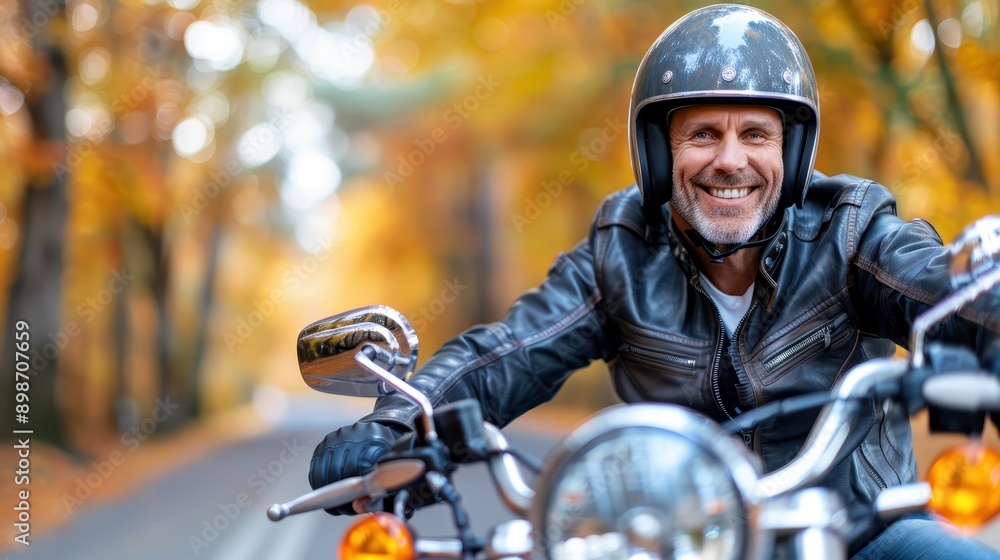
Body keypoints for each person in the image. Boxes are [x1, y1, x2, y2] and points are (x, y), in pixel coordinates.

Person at [309, 4, 1000, 558]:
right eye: (702, 134)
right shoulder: (621, 251)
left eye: (755, 135)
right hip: (664, 535)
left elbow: (947, 292)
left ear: (790, 151)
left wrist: (989, 317)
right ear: (659, 152)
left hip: (853, 529)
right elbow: (505, 353)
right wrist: (400, 421)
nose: (731, 160)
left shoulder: (851, 231)